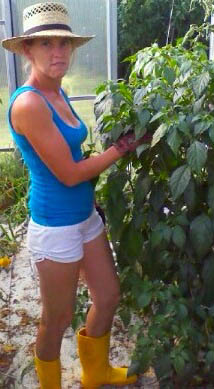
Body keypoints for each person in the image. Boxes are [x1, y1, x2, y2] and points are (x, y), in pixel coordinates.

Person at [2, 2, 150, 388]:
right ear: (27, 50)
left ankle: (94, 374)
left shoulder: (57, 91)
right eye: (46, 44)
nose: (58, 52)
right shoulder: (30, 102)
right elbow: (68, 174)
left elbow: (72, 155)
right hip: (56, 225)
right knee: (57, 319)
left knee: (108, 295)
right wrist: (121, 148)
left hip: (84, 215)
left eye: (64, 44)